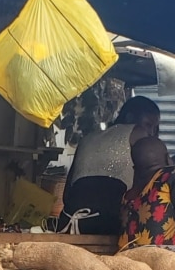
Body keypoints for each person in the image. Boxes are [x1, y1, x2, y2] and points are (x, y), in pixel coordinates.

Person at [61, 97, 160, 234]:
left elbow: (66, 195)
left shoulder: (88, 138)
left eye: (155, 128)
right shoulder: (139, 133)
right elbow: (160, 178)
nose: (151, 133)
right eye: (148, 125)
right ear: (129, 117)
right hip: (111, 226)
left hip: (70, 223)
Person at [118, 137, 175, 249]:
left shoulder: (128, 195)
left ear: (135, 168)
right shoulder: (174, 176)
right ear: (168, 159)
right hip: (166, 261)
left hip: (128, 259)